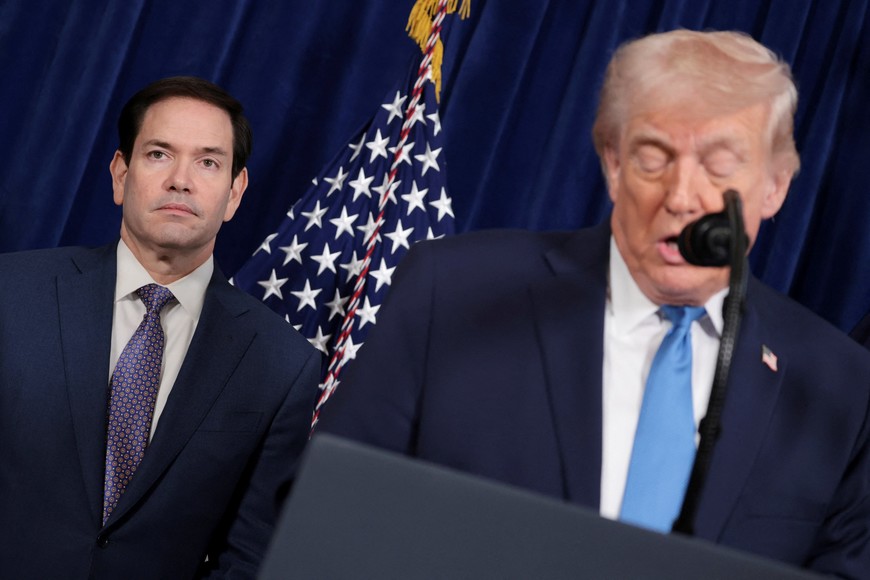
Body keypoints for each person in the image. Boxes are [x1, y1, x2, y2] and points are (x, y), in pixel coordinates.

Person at [315, 30, 870, 577]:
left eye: (719, 165)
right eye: (654, 157)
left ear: (775, 186)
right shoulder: (455, 292)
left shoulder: (839, 387)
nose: (681, 198)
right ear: (612, 163)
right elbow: (326, 516)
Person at [0, 76, 320, 578]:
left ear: (235, 193)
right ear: (120, 174)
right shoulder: (13, 293)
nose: (181, 180)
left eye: (209, 162)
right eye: (158, 154)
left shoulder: (282, 364)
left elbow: (250, 554)